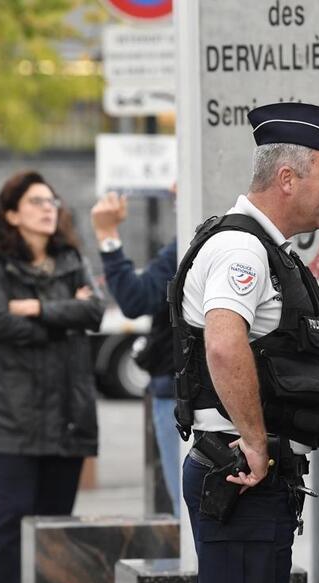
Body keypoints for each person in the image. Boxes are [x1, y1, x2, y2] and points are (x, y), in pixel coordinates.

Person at [172, 102, 319, 583]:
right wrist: (256, 442)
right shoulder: (242, 250)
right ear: (288, 177)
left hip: (239, 472)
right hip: (241, 470)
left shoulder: (258, 245)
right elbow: (225, 346)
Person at [0, 170, 105, 583]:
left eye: (51, 200)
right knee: (11, 519)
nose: (49, 207)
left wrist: (39, 310)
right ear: (11, 213)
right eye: (34, 201)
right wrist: (64, 312)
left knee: (56, 528)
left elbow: (96, 315)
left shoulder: (72, 260)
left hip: (69, 414)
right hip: (10, 417)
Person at [90, 189, 180, 515]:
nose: (174, 191)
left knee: (193, 518)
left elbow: (134, 298)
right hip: (221, 392)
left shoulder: (196, 239)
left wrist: (107, 235)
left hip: (182, 392)